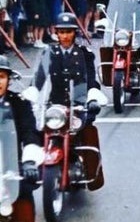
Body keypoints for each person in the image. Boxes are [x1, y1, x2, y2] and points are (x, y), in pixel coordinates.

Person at [30, 12, 106, 191]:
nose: (65, 36)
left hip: (78, 105)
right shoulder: (49, 53)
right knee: (36, 131)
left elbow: (91, 78)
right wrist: (32, 92)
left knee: (86, 131)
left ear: (75, 33)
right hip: (55, 106)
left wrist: (93, 98)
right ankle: (33, 171)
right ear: (56, 33)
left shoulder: (84, 53)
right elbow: (39, 77)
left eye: (69, 32)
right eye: (61, 32)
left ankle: (89, 170)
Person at [0, 56, 42, 222]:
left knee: (25, 192)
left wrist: (29, 161)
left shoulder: (19, 104)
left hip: (10, 166)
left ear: (8, 79)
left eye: (1, 76)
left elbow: (30, 133)